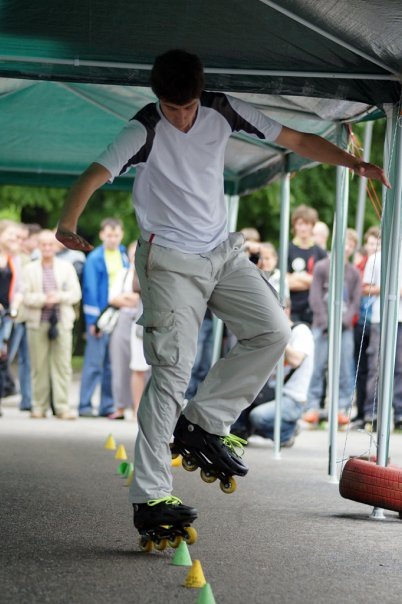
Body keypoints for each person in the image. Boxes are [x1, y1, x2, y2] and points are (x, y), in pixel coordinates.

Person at [55, 49, 390, 541]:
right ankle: (151, 495)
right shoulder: (144, 129)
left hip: (222, 253)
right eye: (173, 108)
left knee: (274, 331)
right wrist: (67, 223)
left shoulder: (223, 109)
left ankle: (203, 421)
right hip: (169, 261)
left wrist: (354, 163)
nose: (182, 117)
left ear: (200, 94)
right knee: (172, 369)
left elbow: (296, 138)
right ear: (159, 99)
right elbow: (94, 174)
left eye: (188, 107)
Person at [231, 302, 314, 447]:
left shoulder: (301, 331)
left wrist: (279, 337)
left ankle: (287, 432)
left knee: (258, 416)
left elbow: (296, 360)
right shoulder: (269, 333)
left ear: (286, 310)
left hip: (292, 398)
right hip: (271, 393)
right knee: (239, 400)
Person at [303, 228, 361, 426]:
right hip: (321, 326)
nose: (347, 247)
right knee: (316, 365)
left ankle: (342, 408)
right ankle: (312, 406)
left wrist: (344, 322)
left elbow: (355, 302)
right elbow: (315, 297)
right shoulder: (321, 267)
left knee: (345, 367)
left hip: (345, 328)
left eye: (351, 245)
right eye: (345, 243)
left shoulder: (354, 273)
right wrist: (325, 322)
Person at [22, 230, 82, 419]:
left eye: (50, 244)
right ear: (38, 246)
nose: (47, 248)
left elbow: (76, 294)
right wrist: (43, 299)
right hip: (37, 322)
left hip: (61, 322)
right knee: (38, 366)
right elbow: (24, 296)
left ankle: (62, 407)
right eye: (43, 244)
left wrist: (58, 297)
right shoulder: (29, 269)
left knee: (62, 366)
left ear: (56, 246)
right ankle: (39, 406)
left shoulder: (66, 268)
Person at [78, 218, 129, 418]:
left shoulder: (124, 255)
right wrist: (93, 321)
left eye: (116, 235)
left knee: (111, 363)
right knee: (94, 362)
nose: (113, 239)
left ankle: (107, 405)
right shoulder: (95, 258)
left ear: (121, 235)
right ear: (102, 235)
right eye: (109, 235)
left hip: (117, 315)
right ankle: (84, 404)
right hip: (100, 316)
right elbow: (89, 290)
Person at [361, 239, 402, 431]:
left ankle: (399, 412)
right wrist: (391, 290)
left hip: (400, 320)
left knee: (400, 367)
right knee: (376, 366)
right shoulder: (376, 258)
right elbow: (365, 289)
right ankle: (372, 412)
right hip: (381, 318)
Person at [107, 241, 149, 420]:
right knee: (122, 365)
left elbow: (135, 298)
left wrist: (128, 298)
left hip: (140, 319)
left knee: (144, 368)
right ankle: (122, 405)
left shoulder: (148, 272)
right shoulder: (124, 273)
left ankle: (140, 407)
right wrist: (132, 299)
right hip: (125, 321)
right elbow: (113, 298)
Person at [351, 226, 380, 428]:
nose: (373, 247)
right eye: (370, 243)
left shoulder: (381, 264)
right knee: (360, 368)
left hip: (375, 320)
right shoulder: (359, 266)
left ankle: (371, 410)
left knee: (374, 367)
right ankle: (361, 411)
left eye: (376, 244)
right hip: (360, 321)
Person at [287, 205, 328, 324]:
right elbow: (284, 282)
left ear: (312, 226)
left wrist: (297, 276)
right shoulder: (287, 249)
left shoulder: (320, 252)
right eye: (300, 224)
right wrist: (313, 281)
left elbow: (325, 283)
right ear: (294, 226)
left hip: (315, 312)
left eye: (307, 224)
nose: (303, 228)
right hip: (292, 311)